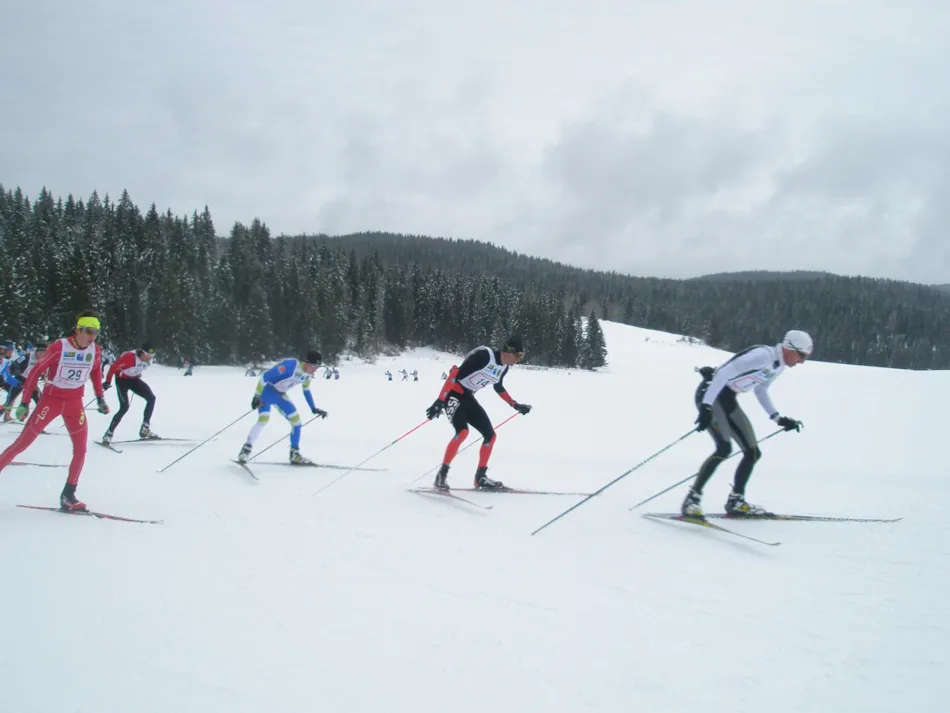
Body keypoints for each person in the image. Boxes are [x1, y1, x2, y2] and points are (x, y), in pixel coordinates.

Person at [681, 329, 813, 518]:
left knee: (752, 452)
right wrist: (706, 406)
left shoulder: (779, 365)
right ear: (789, 348)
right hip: (711, 393)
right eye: (801, 355)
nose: (802, 361)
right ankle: (692, 500)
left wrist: (778, 418)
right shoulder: (763, 355)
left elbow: (761, 390)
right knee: (724, 448)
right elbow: (723, 373)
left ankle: (736, 501)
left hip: (728, 398)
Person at [0, 311, 109, 511]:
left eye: (96, 332)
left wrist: (101, 398)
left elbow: (95, 372)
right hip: (51, 402)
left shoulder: (95, 350)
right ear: (78, 330)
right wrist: (24, 402)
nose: (92, 337)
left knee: (81, 449)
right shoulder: (60, 346)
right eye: (89, 331)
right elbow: (35, 372)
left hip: (75, 403)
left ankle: (69, 495)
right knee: (21, 445)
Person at [425, 335, 532, 491]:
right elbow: (454, 375)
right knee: (462, 432)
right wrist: (440, 401)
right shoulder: (484, 356)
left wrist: (515, 405)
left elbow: (498, 387)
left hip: (468, 397)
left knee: (490, 436)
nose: (518, 359)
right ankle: (441, 475)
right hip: (452, 393)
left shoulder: (503, 368)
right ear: (508, 351)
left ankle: (480, 478)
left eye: (521, 356)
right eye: (517, 355)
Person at [237, 349, 328, 465]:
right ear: (306, 362)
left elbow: (306, 390)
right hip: (267, 392)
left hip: (280, 395)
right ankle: (245, 450)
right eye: (314, 366)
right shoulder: (290, 366)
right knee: (263, 419)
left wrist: (313, 408)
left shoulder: (307, 375)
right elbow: (265, 377)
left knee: (297, 422)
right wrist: (257, 396)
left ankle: (295, 454)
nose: (315, 370)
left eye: (317, 367)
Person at [102, 343, 158, 443]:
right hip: (122, 381)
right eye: (148, 355)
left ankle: (145, 428)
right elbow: (113, 367)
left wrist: (136, 372)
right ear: (142, 353)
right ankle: (109, 433)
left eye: (152, 355)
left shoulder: (149, 360)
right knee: (124, 407)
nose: (150, 358)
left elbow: (139, 367)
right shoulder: (130, 357)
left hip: (134, 380)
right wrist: (107, 382)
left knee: (151, 398)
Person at [3, 342, 45, 420]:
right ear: (36, 351)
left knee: (39, 400)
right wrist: (17, 372)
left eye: (44, 354)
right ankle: (6, 415)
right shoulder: (27, 357)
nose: (41, 356)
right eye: (40, 353)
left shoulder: (44, 359)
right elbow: (14, 365)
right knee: (11, 399)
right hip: (20, 379)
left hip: (32, 381)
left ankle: (33, 419)